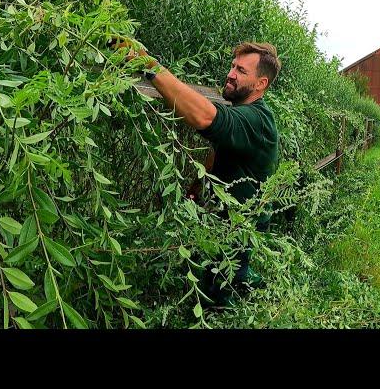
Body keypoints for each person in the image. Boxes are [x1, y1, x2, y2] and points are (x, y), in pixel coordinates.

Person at [114, 39, 280, 307]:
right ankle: (246, 283)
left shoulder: (256, 119)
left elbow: (205, 117)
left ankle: (233, 299)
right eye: (232, 66)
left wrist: (148, 64)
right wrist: (197, 185)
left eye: (241, 71)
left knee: (220, 295)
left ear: (261, 84)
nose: (231, 74)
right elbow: (222, 147)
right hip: (227, 219)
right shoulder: (244, 112)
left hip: (241, 225)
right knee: (216, 277)